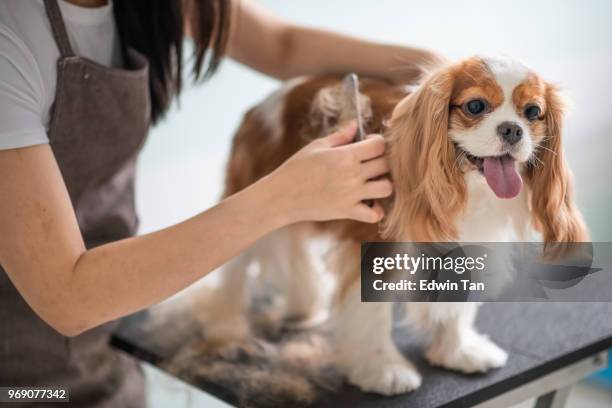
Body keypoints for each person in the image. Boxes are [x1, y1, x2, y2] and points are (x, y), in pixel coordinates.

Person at [0, 0, 440, 406]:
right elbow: (68, 297)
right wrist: (283, 197)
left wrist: (441, 75)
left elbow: (282, 46)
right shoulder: (10, 41)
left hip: (106, 357)